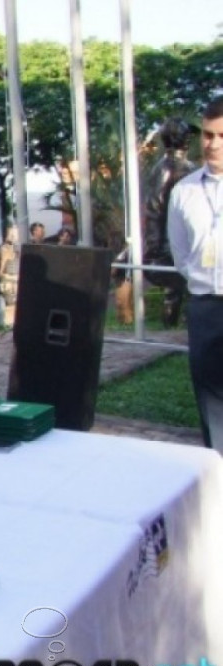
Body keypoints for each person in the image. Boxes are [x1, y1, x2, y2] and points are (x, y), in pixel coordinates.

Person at [167, 95, 223, 454]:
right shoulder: (183, 191)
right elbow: (181, 252)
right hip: (206, 309)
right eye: (207, 135)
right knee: (212, 402)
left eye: (221, 136)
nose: (213, 144)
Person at [143, 118, 197, 327]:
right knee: (174, 290)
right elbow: (155, 209)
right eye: (186, 134)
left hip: (193, 240)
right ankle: (169, 329)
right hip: (169, 245)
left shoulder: (189, 166)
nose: (189, 138)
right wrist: (155, 247)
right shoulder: (166, 168)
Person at [0, 224, 20, 327]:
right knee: (10, 304)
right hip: (9, 278)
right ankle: (10, 324)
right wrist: (1, 273)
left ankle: (13, 323)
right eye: (13, 232)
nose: (15, 235)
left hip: (14, 278)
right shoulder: (6, 247)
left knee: (15, 303)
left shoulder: (14, 247)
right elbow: (3, 261)